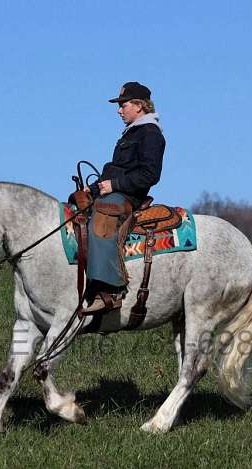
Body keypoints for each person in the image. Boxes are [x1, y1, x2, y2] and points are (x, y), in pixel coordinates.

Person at [81, 82, 166, 314]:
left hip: (129, 197)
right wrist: (94, 189)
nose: (119, 110)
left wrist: (114, 185)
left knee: (102, 220)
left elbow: (150, 175)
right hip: (116, 190)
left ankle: (110, 291)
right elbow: (118, 169)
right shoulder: (133, 132)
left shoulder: (151, 134)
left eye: (123, 105)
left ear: (139, 106)